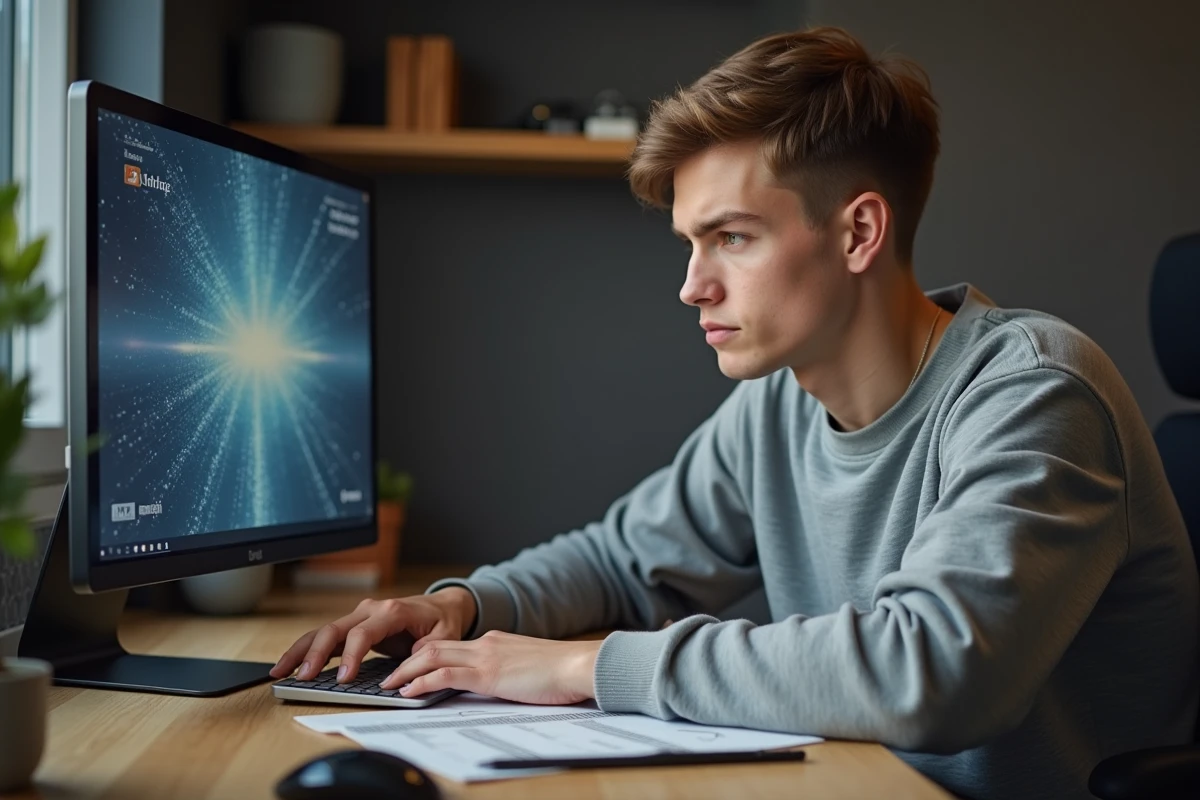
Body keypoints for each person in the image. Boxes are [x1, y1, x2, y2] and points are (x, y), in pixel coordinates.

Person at [271, 26, 1198, 800]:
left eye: (732, 239)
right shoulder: (777, 405)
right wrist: (461, 608)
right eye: (689, 243)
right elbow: (623, 561)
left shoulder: (1033, 393)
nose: (691, 287)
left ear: (859, 232)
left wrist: (579, 668)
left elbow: (932, 674)